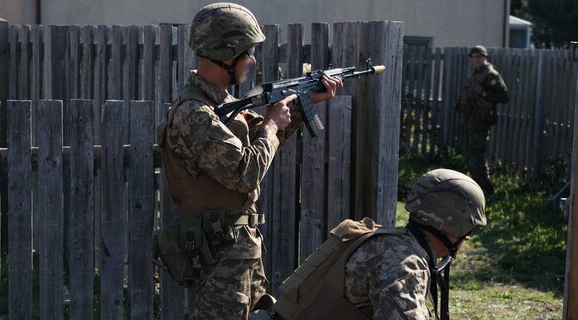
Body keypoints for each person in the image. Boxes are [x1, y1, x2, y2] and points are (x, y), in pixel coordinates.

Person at [156, 3, 342, 319]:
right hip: (220, 254)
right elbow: (245, 173)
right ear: (227, 55)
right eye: (247, 53)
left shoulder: (224, 105)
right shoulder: (195, 113)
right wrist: (270, 123)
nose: (252, 61)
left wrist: (302, 105)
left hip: (241, 249)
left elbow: (263, 145)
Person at [258, 168, 487, 320]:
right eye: (468, 229)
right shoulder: (404, 264)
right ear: (455, 224)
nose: (467, 237)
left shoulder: (387, 243)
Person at [455, 45, 508, 195]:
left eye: (479, 57)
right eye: (474, 57)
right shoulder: (477, 74)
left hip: (481, 121)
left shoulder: (491, 75)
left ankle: (486, 190)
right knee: (470, 156)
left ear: (485, 57)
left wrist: (484, 94)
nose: (476, 60)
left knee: (476, 158)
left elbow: (503, 97)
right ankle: (476, 190)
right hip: (471, 120)